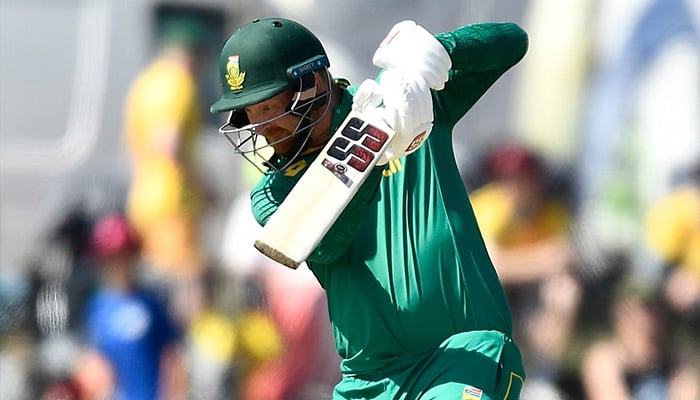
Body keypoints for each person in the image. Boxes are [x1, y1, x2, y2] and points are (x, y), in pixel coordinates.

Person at [210, 17, 529, 399]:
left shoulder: (403, 97)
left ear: (311, 84)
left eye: (267, 107)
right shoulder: (273, 193)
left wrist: (440, 50)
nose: (260, 127)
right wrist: (374, 139)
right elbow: (325, 242)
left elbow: (513, 42)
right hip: (367, 381)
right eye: (249, 113)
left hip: (462, 354)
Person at [469, 142, 581, 396]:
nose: (513, 186)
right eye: (506, 177)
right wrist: (541, 260)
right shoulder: (490, 205)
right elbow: (492, 267)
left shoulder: (552, 212)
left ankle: (542, 372)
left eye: (521, 178)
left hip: (532, 296)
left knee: (565, 290)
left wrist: (532, 263)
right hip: (489, 293)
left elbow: (563, 258)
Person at [124, 12, 209, 292]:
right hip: (175, 201)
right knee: (185, 283)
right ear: (191, 53)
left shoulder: (146, 82)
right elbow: (168, 144)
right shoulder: (179, 83)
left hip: (144, 198)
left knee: (155, 282)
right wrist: (203, 186)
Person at [81, 212, 187, 400]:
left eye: (125, 257)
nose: (119, 264)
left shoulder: (151, 304)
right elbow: (93, 367)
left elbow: (172, 358)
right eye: (113, 258)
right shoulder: (96, 308)